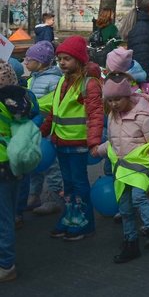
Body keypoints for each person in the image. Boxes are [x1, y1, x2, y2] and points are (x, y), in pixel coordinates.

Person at [94, 74, 149, 263]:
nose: (114, 104)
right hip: (122, 169)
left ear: (127, 96)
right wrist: (99, 150)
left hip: (140, 167)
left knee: (138, 197)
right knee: (125, 208)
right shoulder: (112, 116)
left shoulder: (143, 117)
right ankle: (131, 242)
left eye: (117, 99)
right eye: (110, 100)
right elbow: (113, 143)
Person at [39, 36, 103, 241]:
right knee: (68, 185)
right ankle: (69, 218)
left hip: (78, 143)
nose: (62, 63)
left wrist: (93, 141)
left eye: (67, 58)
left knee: (79, 183)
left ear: (79, 60)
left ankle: (84, 223)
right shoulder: (61, 82)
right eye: (60, 59)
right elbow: (54, 110)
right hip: (60, 142)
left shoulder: (89, 84)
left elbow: (95, 114)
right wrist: (44, 130)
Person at [0, 61, 33, 282]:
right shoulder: (18, 102)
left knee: (3, 219)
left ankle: (6, 265)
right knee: (6, 216)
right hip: (11, 165)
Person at [23, 42, 64, 216]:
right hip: (34, 128)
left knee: (52, 165)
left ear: (39, 62)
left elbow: (56, 104)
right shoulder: (32, 78)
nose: (25, 62)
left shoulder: (54, 80)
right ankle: (34, 194)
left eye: (28, 59)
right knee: (34, 163)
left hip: (49, 128)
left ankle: (53, 198)